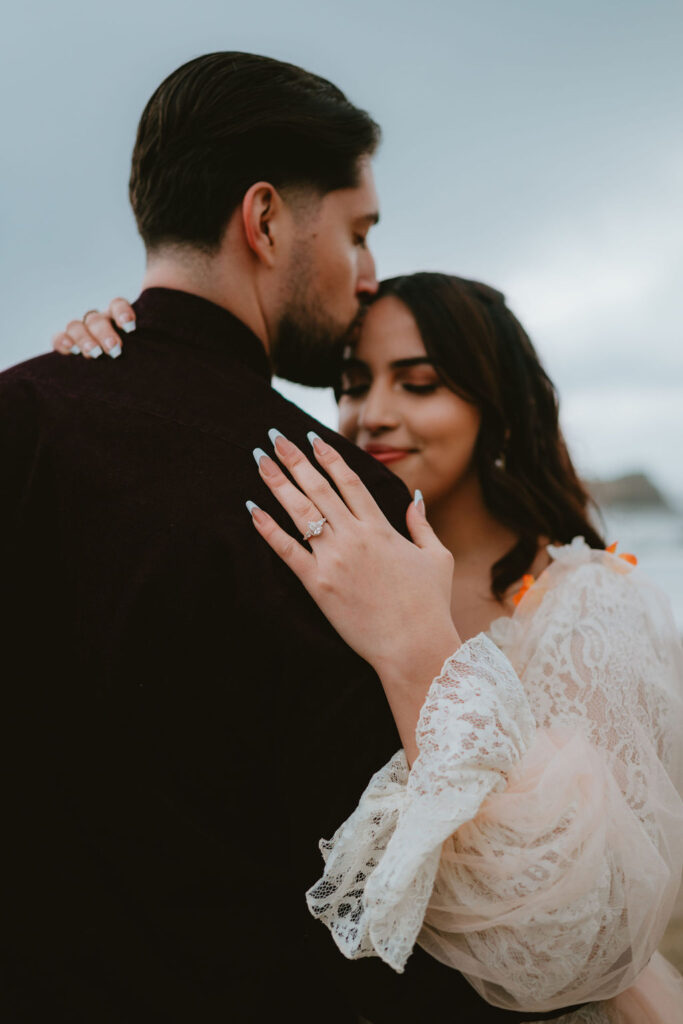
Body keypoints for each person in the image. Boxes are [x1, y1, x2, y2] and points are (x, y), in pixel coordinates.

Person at [1, 51, 575, 1024]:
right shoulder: (340, 505)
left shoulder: (19, 416)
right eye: (357, 233)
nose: (365, 276)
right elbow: (392, 895)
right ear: (264, 219)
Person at [64, 273, 683, 1023]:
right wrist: (127, 351)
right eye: (354, 385)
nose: (373, 414)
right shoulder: (329, 574)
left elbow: (594, 912)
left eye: (418, 384)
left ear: (498, 409)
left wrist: (414, 647)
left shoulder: (588, 603)